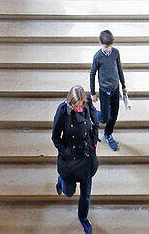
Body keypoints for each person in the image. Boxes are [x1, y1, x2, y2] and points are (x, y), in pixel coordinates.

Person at [51, 83, 99, 234]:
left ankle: (83, 218)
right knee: (69, 192)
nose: (76, 107)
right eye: (73, 104)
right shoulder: (63, 110)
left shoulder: (88, 104)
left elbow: (96, 124)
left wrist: (94, 143)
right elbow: (55, 137)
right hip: (69, 157)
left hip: (86, 155)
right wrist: (65, 151)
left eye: (79, 104)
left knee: (86, 195)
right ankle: (61, 179)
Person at [90, 29, 127, 151]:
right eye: (106, 46)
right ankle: (92, 111)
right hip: (104, 91)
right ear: (100, 43)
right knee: (105, 118)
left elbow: (119, 69)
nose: (108, 48)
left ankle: (108, 134)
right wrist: (93, 93)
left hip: (115, 89)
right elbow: (92, 74)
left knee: (114, 115)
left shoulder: (115, 53)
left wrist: (123, 85)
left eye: (109, 46)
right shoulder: (98, 56)